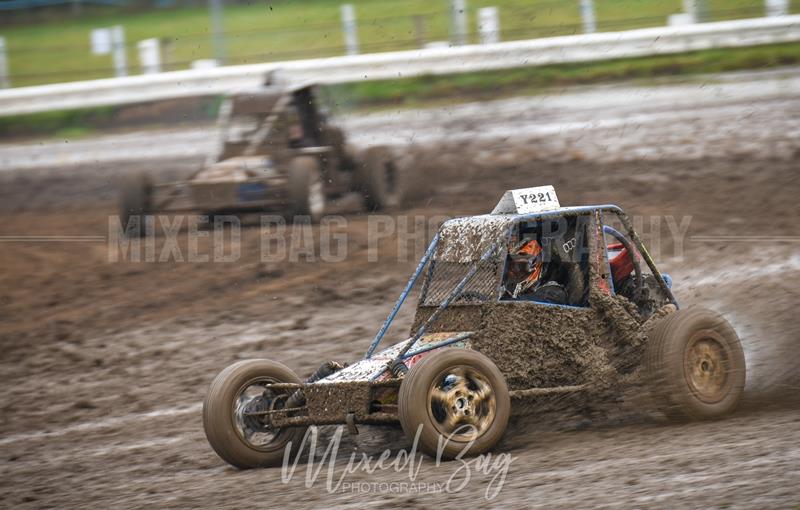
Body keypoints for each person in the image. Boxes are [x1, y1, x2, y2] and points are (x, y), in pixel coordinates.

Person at [504, 238, 568, 305]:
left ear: (533, 262)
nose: (510, 265)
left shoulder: (554, 292)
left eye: (520, 255)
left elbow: (524, 307)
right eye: (509, 259)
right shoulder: (513, 282)